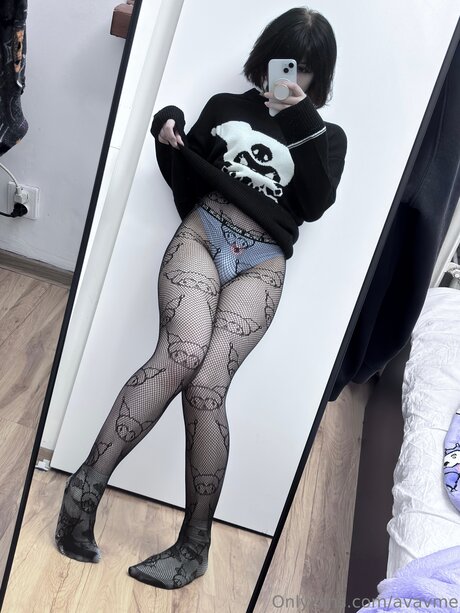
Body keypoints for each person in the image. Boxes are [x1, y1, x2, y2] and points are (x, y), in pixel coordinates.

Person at [55, 6, 347, 590]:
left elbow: (315, 204)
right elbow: (186, 178)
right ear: (264, 57)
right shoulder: (226, 107)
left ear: (319, 75)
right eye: (284, 62)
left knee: (209, 383)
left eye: (305, 69)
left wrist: (302, 118)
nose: (291, 76)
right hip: (205, 235)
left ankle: (195, 544)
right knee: (182, 355)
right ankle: (83, 492)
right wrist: (169, 129)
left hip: (262, 261)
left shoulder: (325, 135)